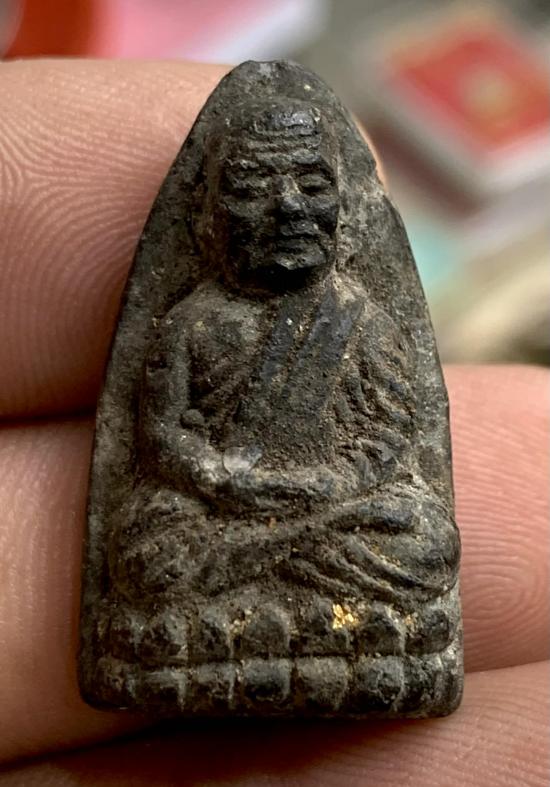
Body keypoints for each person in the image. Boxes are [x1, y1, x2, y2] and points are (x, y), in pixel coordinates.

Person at [0, 59, 547, 784]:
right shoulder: (193, 322)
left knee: (423, 542)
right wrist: (229, 482)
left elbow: (392, 434)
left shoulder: (363, 322)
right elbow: (161, 437)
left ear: (343, 206)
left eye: (311, 186)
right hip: (220, 507)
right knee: (145, 547)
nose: (289, 207)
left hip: (337, 508)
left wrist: (330, 485)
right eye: (256, 187)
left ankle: (255, 604)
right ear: (212, 213)